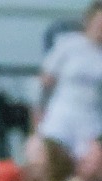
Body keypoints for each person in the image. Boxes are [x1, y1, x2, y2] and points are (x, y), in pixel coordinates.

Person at [40, 5, 102, 158]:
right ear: (88, 22)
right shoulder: (69, 44)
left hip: (91, 115)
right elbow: (46, 80)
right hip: (63, 110)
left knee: (89, 159)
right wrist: (39, 112)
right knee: (54, 156)